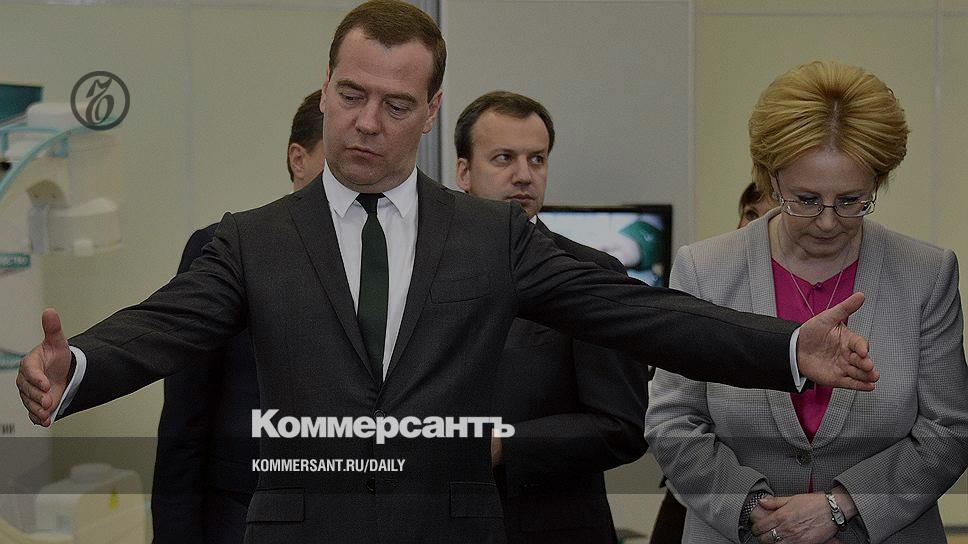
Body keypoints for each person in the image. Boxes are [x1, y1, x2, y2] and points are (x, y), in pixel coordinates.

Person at [18, 3, 879, 541]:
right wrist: (78, 367)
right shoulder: (254, 239)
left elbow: (637, 311)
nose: (367, 122)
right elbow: (166, 322)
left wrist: (788, 348)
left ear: (431, 114)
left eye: (395, 104)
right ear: (325, 89)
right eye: (351, 95)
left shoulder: (490, 236)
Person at [645, 59, 968, 544]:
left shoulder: (925, 274)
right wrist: (754, 510)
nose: (828, 221)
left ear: (877, 181)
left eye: (851, 200)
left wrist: (843, 506)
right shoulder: (705, 269)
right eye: (806, 199)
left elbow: (949, 430)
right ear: (771, 178)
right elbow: (673, 422)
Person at [454, 90, 649, 543]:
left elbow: (624, 425)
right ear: (464, 172)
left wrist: (505, 446)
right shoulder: (424, 271)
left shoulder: (591, 274)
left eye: (537, 159)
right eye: (504, 158)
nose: (524, 175)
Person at [150, 90, 325, 544]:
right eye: (337, 156)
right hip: (241, 514)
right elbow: (184, 422)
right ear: (298, 159)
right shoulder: (228, 250)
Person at [652, 180, 780, 543]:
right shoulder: (705, 283)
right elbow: (672, 419)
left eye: (770, 215)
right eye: (750, 213)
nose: (754, 226)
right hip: (697, 497)